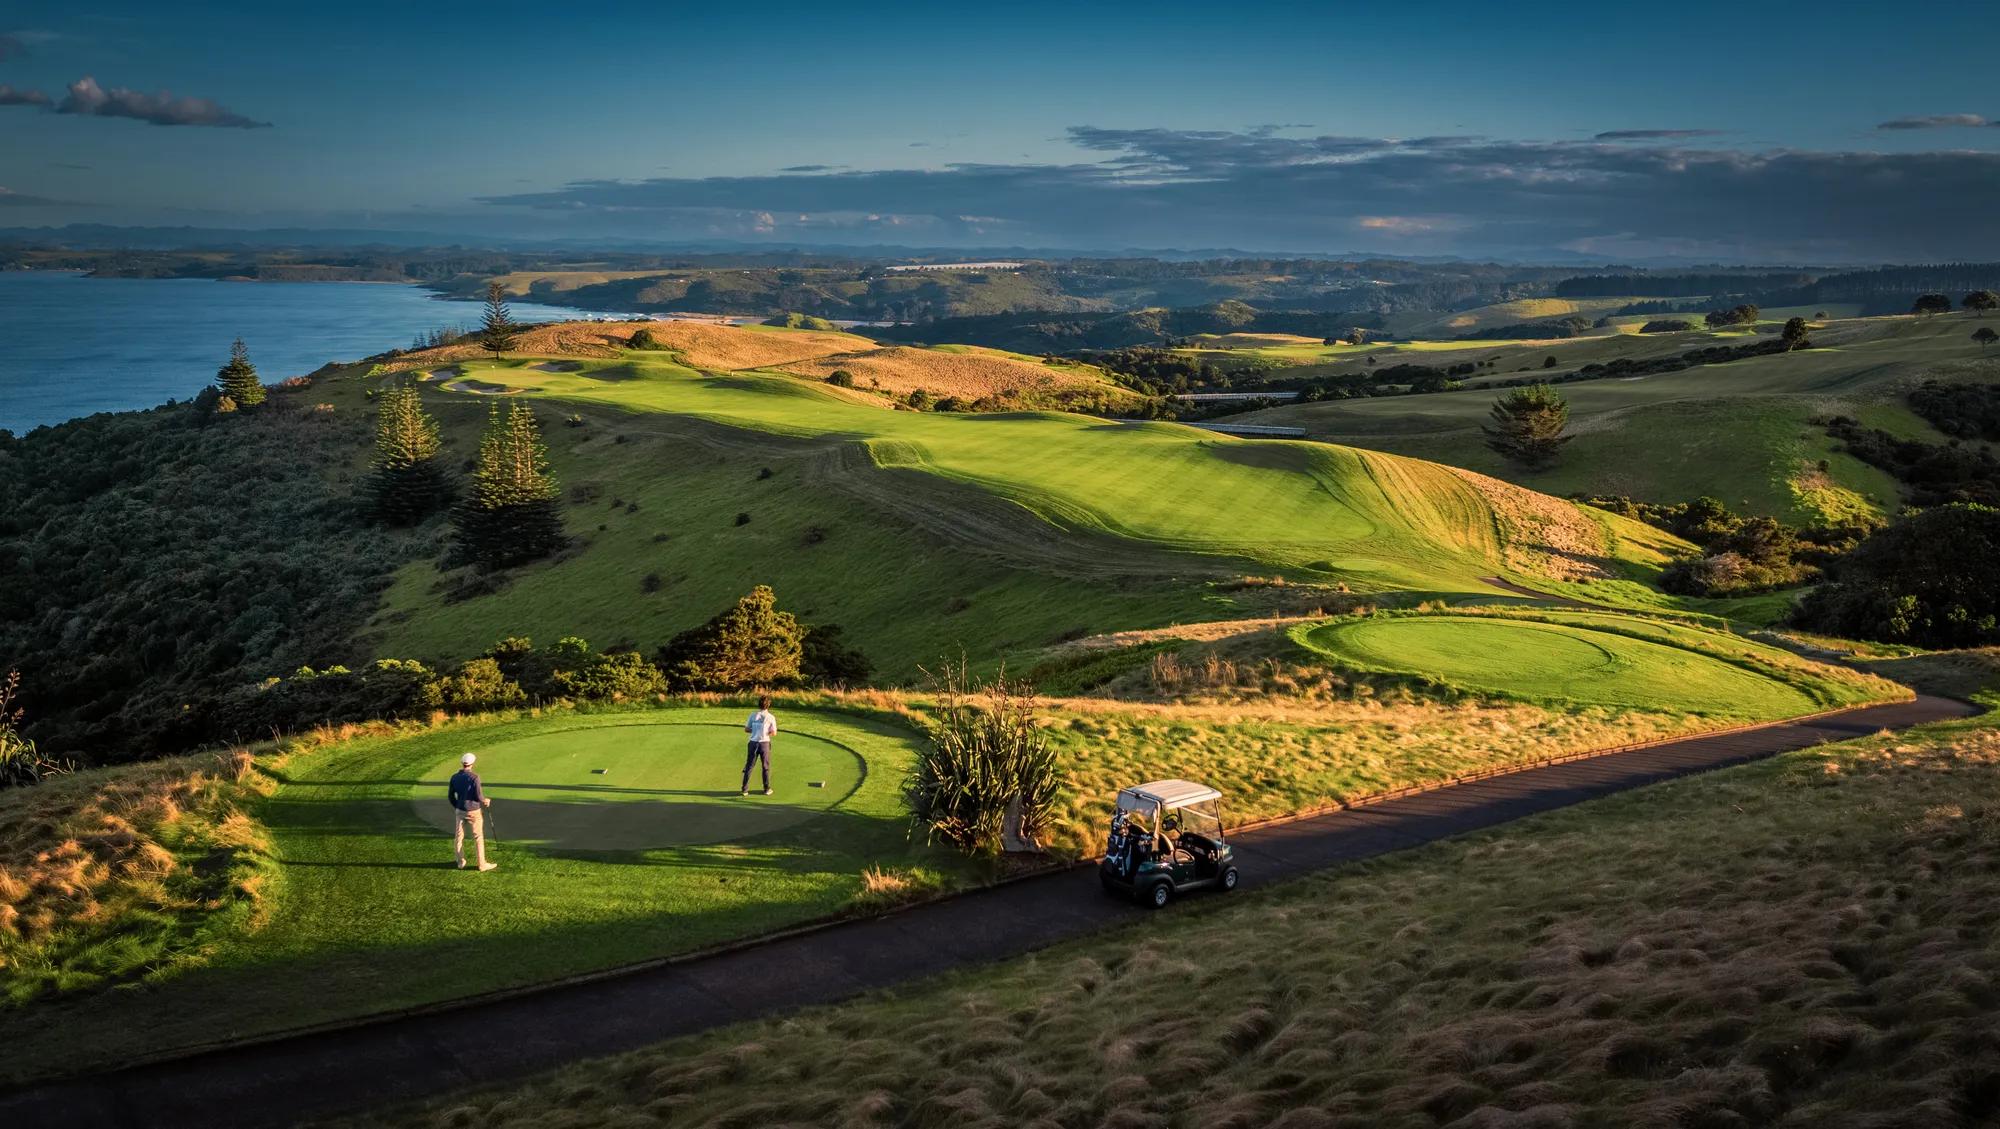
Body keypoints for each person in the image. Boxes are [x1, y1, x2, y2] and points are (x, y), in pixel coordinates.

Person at [447, 752, 497, 871]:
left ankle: (460, 862)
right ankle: (482, 864)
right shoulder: (475, 777)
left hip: (460, 810)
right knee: (478, 837)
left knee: (459, 836)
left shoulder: (454, 777)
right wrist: (486, 801)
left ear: (462, 763)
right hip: (474, 811)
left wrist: (458, 806)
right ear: (472, 764)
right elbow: (479, 796)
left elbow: (450, 796)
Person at [742, 694, 777, 796]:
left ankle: (744, 789)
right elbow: (774, 732)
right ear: (768, 705)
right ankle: (766, 789)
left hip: (753, 743)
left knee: (749, 766)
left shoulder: (752, 715)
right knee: (765, 767)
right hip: (764, 744)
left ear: (759, 705)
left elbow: (746, 729)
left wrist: (756, 729)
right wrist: (765, 731)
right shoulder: (771, 717)